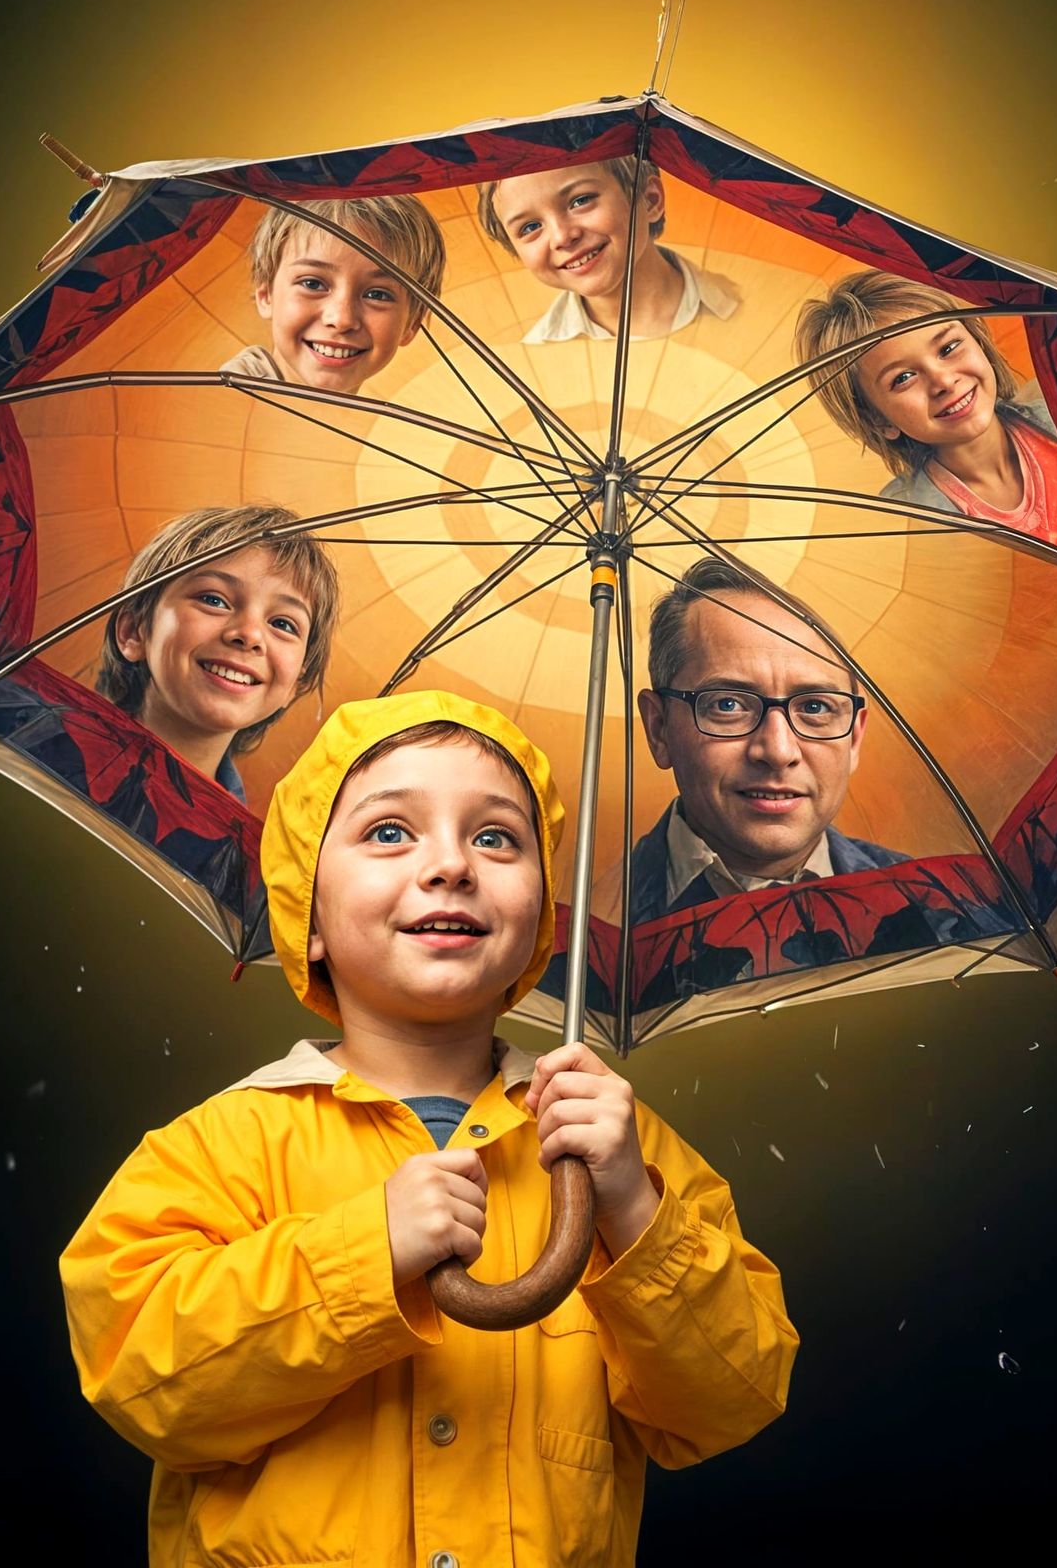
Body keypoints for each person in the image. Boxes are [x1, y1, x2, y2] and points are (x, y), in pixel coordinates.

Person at [60, 689, 797, 1567]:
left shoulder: (616, 1147)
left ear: (540, 917)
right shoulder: (217, 1150)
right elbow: (144, 1383)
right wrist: (364, 1253)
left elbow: (733, 1398)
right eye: (389, 832)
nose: (451, 865)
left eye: (497, 838)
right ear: (308, 915)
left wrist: (635, 1209)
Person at [619, 558, 905, 926]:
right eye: (727, 705)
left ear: (854, 738)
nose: (778, 752)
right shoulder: (580, 933)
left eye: (815, 707)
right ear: (659, 729)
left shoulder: (947, 919)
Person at [795, 270, 1057, 562]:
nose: (944, 382)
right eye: (903, 378)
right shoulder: (907, 527)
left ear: (979, 341)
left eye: (948, 348)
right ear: (877, 420)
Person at [96, 504, 337, 800]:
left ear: (296, 683)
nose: (249, 635)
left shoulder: (242, 831)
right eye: (213, 600)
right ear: (134, 631)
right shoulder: (48, 750)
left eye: (283, 624)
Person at [478, 157, 738, 343]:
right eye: (530, 227)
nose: (562, 237)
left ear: (649, 200)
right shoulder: (533, 368)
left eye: (580, 201)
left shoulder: (747, 307)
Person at [221, 194, 446, 393]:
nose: (341, 319)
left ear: (412, 322)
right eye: (312, 284)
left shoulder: (366, 426)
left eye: (377, 295)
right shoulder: (225, 405)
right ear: (265, 294)